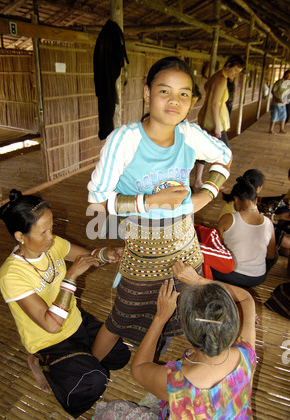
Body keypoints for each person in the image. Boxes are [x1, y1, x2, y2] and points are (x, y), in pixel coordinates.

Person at [87, 56, 232, 356]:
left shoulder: (189, 135)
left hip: (184, 247)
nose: (174, 101)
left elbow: (224, 157)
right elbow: (98, 200)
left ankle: (162, 365)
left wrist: (205, 195)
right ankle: (91, 368)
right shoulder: (125, 141)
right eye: (164, 91)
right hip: (143, 249)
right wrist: (151, 201)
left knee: (184, 309)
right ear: (146, 92)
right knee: (122, 316)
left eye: (183, 94)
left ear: (192, 100)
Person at [92, 262, 257, 420]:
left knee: (112, 412)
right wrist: (199, 280)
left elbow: (139, 368)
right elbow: (246, 299)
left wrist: (160, 317)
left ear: (188, 334)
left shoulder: (179, 383)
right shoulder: (246, 351)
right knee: (157, 400)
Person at [0, 189, 130, 418]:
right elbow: (51, 325)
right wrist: (70, 278)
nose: (51, 237)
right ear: (20, 236)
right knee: (93, 381)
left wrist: (107, 252)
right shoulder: (11, 275)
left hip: (73, 320)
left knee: (119, 356)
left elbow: (89, 257)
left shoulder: (52, 245)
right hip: (48, 338)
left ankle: (77, 360)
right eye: (44, 232)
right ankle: (41, 361)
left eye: (52, 228)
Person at [213, 178, 277, 287]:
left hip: (228, 275)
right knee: (276, 254)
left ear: (236, 199)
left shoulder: (228, 218)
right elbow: (271, 256)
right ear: (255, 200)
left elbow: (216, 247)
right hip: (256, 279)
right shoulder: (268, 223)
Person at [194, 55, 245, 189]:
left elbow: (206, 86)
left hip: (207, 118)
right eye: (234, 70)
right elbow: (215, 104)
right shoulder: (222, 80)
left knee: (204, 148)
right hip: (214, 121)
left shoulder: (216, 76)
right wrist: (217, 126)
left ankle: (198, 180)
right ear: (227, 65)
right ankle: (216, 182)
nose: (235, 74)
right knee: (225, 152)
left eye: (238, 72)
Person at [269, 69, 290, 134]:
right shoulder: (279, 82)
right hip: (276, 103)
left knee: (283, 116)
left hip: (283, 103)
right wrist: (277, 98)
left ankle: (281, 129)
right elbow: (273, 91)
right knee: (274, 115)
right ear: (285, 75)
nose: (288, 77)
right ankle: (271, 129)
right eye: (288, 75)